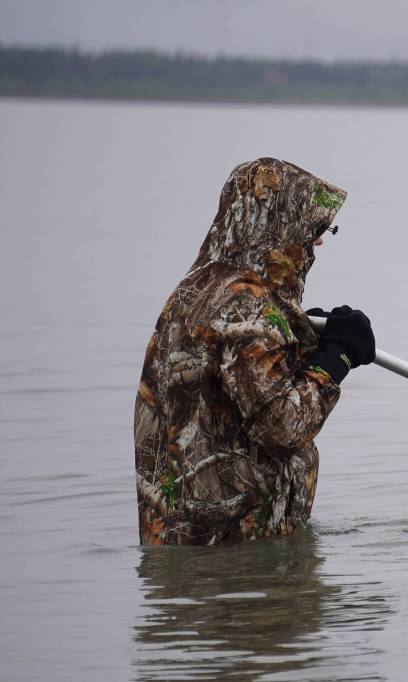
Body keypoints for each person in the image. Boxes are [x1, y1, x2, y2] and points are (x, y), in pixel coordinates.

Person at [134, 158, 374, 545]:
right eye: (312, 226)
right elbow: (281, 426)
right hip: (235, 559)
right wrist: (336, 359)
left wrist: (296, 339)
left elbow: (231, 394)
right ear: (279, 221)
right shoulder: (246, 304)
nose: (319, 240)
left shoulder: (195, 290)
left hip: (193, 553)